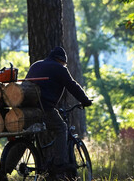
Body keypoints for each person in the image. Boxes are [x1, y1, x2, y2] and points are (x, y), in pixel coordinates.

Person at [25, 46, 92, 176]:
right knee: (61, 128)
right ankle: (59, 163)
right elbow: (72, 86)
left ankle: (5, 169)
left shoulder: (36, 65)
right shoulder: (59, 68)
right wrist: (85, 100)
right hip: (45, 108)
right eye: (64, 63)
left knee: (25, 136)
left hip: (26, 108)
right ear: (61, 60)